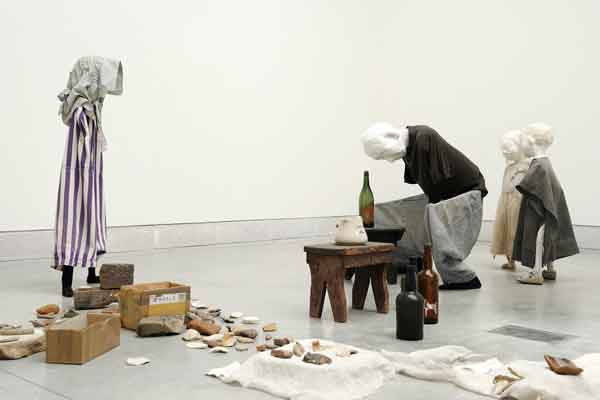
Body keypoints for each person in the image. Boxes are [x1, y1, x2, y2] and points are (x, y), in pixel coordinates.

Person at [362, 123, 487, 289]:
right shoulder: (411, 145)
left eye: (383, 154)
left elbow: (434, 189)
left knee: (432, 218)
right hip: (447, 193)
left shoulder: (423, 138)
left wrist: (430, 217)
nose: (388, 159)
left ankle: (462, 278)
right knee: (385, 212)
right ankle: (408, 260)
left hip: (465, 193)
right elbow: (431, 188)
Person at [52, 56, 123, 297]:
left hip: (90, 170)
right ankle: (67, 280)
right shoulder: (81, 106)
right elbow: (82, 140)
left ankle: (92, 271)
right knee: (75, 217)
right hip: (79, 172)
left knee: (91, 215)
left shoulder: (91, 105)